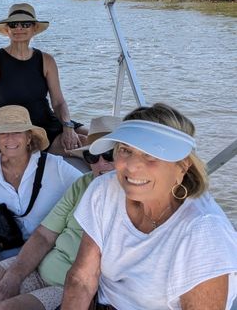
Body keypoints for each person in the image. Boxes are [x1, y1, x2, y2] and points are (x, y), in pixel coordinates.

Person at [62, 103, 237, 310]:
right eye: (125, 150)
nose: (132, 166)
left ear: (183, 165)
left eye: (150, 154)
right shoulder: (104, 189)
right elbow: (82, 279)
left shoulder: (203, 231)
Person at [0, 116, 121, 310]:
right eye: (92, 157)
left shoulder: (132, 199)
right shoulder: (83, 184)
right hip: (40, 260)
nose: (100, 163)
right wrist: (14, 276)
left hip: (67, 284)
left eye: (109, 155)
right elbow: (44, 235)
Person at [0, 105, 82, 279]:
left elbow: (87, 186)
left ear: (28, 137)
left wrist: (95, 159)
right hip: (6, 241)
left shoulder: (54, 166)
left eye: (17, 132)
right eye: (3, 133)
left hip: (45, 246)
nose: (10, 139)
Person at [0, 3, 86, 156]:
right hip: (19, 132)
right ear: (6, 29)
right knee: (84, 143)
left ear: (34, 29)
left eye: (25, 24)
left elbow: (58, 102)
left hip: (49, 123)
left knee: (102, 137)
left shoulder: (46, 60)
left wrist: (68, 127)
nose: (19, 28)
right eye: (13, 24)